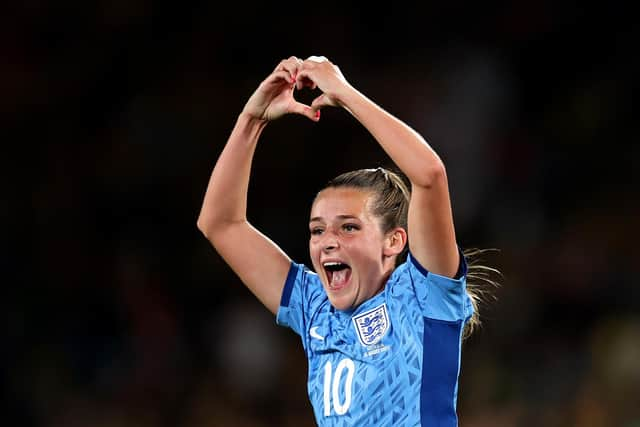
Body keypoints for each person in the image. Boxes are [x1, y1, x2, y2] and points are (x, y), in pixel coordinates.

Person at [197, 55, 499, 426]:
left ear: (394, 241)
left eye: (348, 227)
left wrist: (345, 93)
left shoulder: (424, 295)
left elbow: (429, 174)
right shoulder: (314, 308)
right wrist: (251, 120)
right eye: (318, 229)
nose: (327, 241)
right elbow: (220, 223)